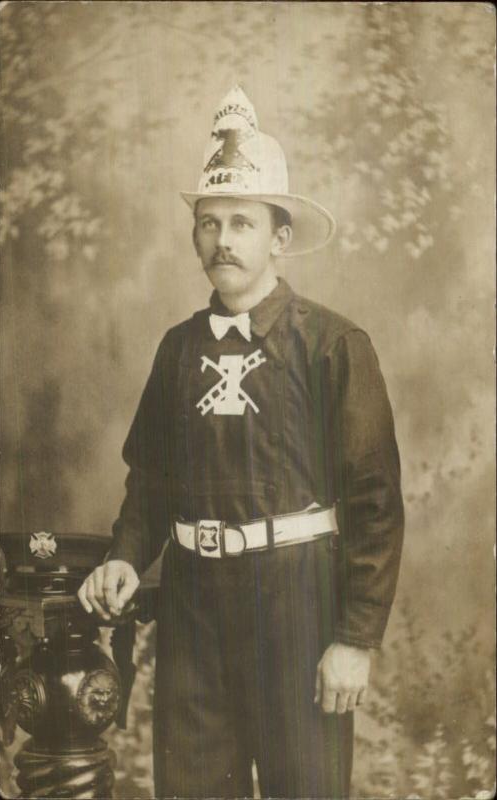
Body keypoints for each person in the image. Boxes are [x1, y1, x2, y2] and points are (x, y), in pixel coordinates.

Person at [78, 86, 404, 799]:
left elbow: (376, 503)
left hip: (299, 605)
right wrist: (128, 558)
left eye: (242, 223)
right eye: (208, 223)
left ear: (278, 238)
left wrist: (353, 640)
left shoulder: (332, 345)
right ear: (195, 235)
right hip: (194, 614)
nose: (223, 240)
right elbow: (152, 484)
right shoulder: (177, 350)